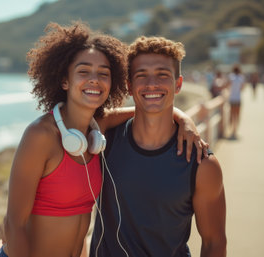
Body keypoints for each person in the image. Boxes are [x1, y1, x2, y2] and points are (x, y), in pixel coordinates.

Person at [0, 23, 206, 257]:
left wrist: (183, 118)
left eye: (104, 74)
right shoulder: (41, 135)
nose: (94, 80)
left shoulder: (97, 129)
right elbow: (12, 225)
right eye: (84, 71)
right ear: (65, 80)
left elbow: (146, 109)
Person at [90, 36, 226, 257]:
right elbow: (85, 116)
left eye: (162, 75)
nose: (151, 83)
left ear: (178, 84)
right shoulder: (104, 140)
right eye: (141, 75)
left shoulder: (202, 163)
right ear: (129, 85)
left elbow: (215, 243)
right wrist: (182, 117)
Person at [228, 65, 245, 139]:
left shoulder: (231, 77)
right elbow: (242, 88)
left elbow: (227, 85)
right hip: (238, 98)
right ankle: (235, 130)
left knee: (232, 114)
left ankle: (231, 129)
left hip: (232, 98)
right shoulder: (241, 77)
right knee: (237, 115)